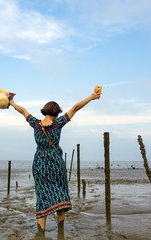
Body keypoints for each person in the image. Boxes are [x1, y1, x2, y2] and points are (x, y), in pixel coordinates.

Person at [9, 89, 101, 235]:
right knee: (61, 194)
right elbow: (76, 107)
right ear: (57, 112)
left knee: (42, 196)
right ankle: (60, 233)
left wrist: (11, 102)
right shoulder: (58, 124)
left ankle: (41, 234)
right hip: (56, 164)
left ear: (45, 111)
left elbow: (23, 110)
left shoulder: (36, 124)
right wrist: (92, 97)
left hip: (39, 165)